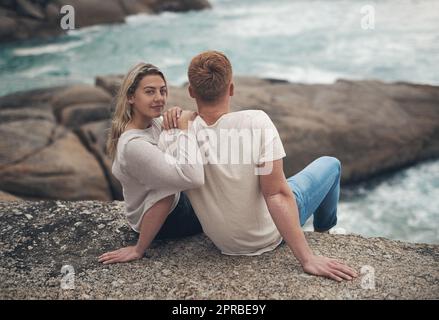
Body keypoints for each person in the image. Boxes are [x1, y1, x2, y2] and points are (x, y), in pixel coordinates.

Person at [161, 51, 358, 281]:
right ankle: (324, 231)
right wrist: (308, 259)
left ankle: (323, 231)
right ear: (231, 88)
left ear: (191, 91)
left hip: (224, 242)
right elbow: (275, 193)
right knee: (331, 165)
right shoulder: (256, 122)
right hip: (267, 235)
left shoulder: (178, 133)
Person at [99, 63, 203, 264]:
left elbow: (195, 123)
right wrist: (138, 249)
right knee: (237, 195)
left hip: (166, 208)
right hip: (170, 220)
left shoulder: (153, 123)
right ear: (131, 97)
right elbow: (172, 190)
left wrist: (178, 114)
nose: (159, 98)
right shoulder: (134, 145)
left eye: (162, 91)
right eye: (149, 92)